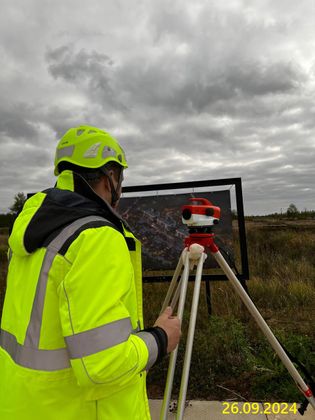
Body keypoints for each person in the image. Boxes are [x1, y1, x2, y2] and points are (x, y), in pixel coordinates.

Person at [0, 125, 181, 420]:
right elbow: (103, 363)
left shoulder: (32, 236)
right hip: (81, 410)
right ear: (110, 176)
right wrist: (161, 338)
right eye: (120, 175)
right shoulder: (95, 237)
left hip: (24, 405)